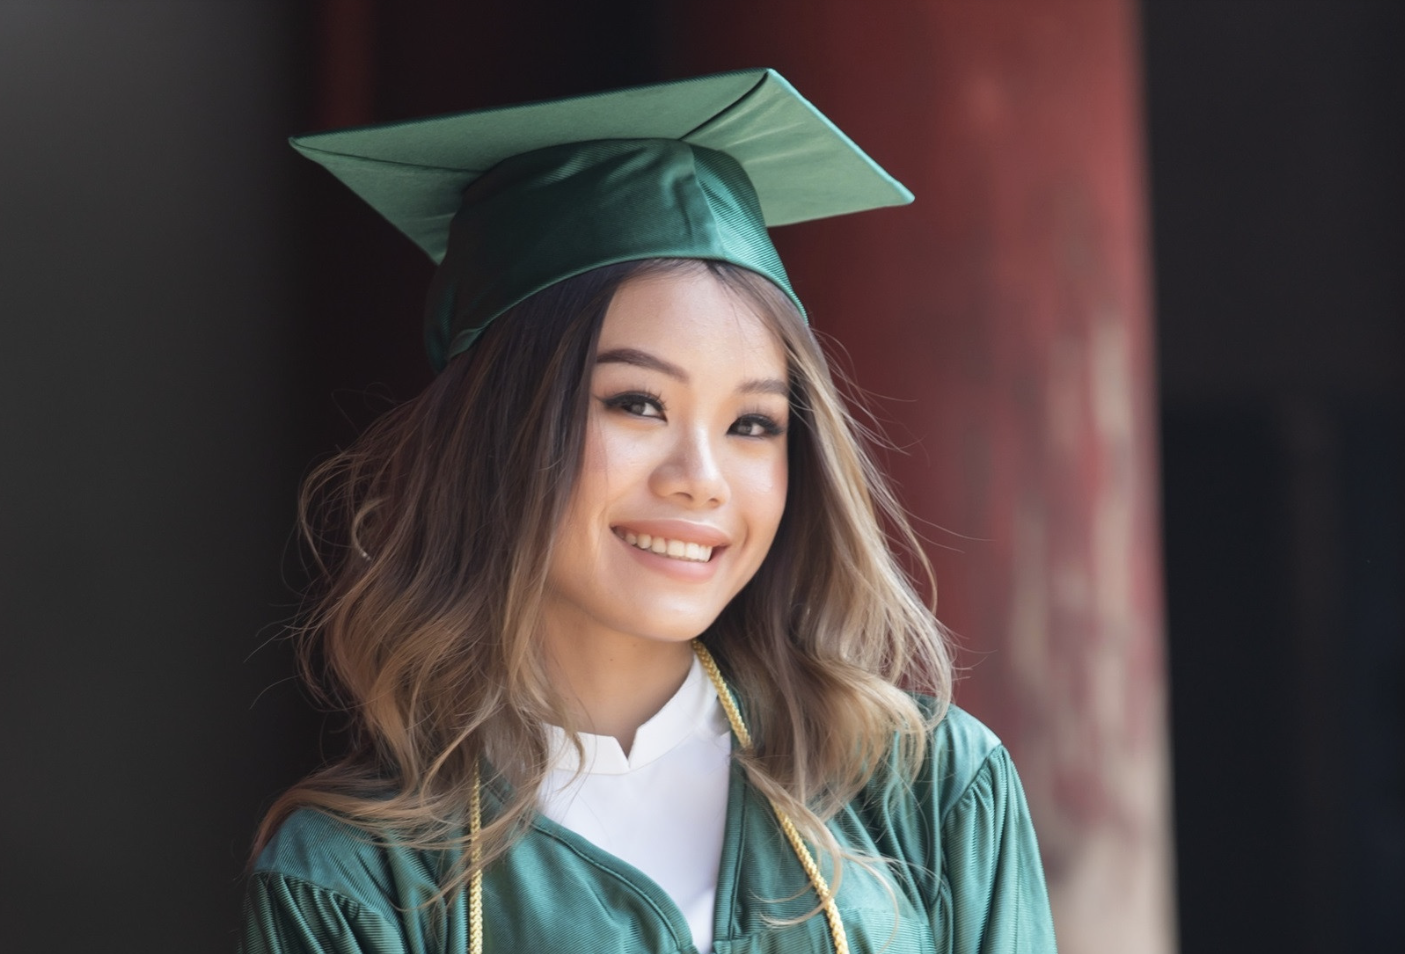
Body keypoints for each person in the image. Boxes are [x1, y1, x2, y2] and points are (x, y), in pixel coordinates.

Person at [241, 68, 1057, 953]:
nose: (700, 478)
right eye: (636, 404)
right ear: (494, 430)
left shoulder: (924, 793)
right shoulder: (360, 881)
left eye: (752, 423)